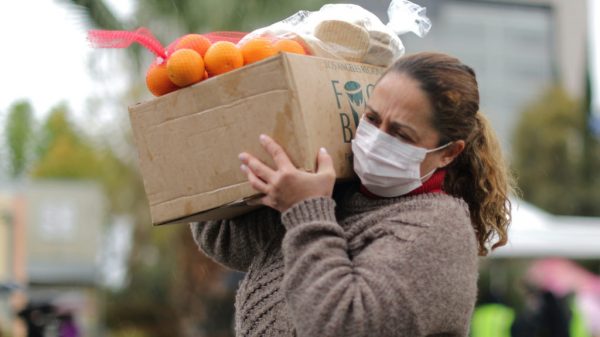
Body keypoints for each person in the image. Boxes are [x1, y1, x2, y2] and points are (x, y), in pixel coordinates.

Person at [190, 52, 514, 337]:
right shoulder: (343, 189)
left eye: (401, 134)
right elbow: (226, 242)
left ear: (448, 153)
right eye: (372, 118)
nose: (376, 139)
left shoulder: (438, 229)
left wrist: (306, 210)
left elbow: (341, 326)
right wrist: (228, 156)